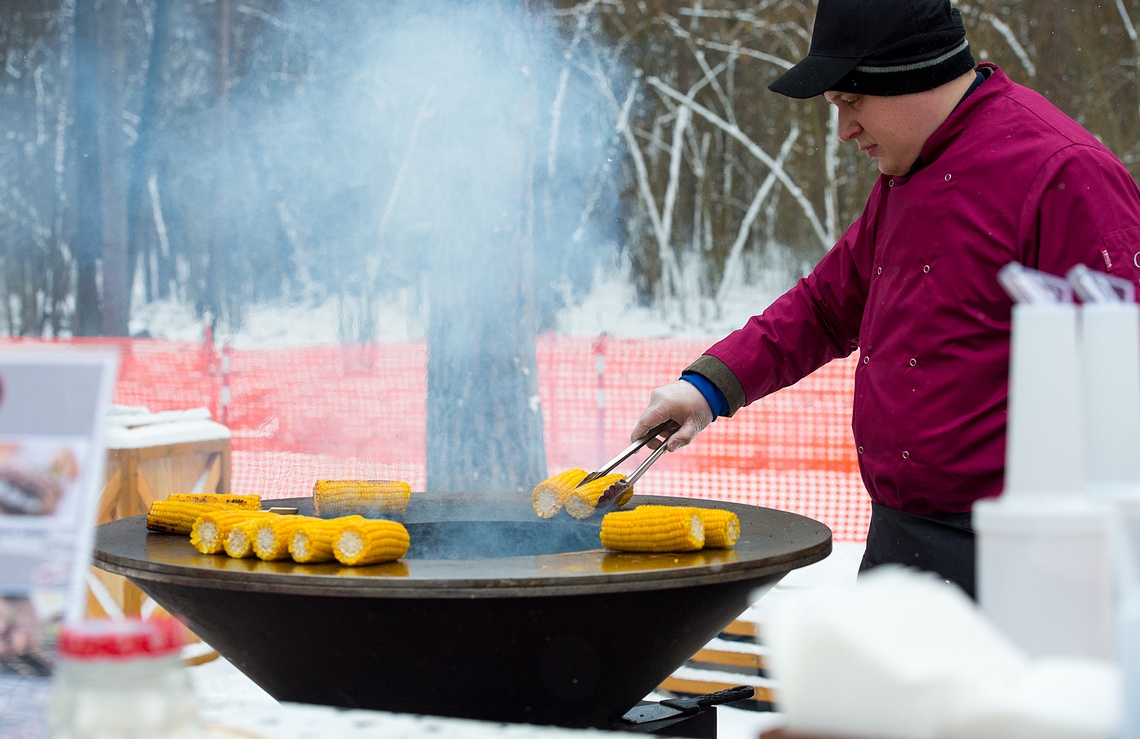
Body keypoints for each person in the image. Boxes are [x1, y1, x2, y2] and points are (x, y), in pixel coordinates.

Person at [629, 0, 1140, 599]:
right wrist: (707, 388)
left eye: (851, 102)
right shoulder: (907, 174)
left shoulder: (1062, 172)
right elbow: (824, 306)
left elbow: (1121, 377)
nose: (844, 131)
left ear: (914, 75)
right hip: (900, 535)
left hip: (1023, 555)